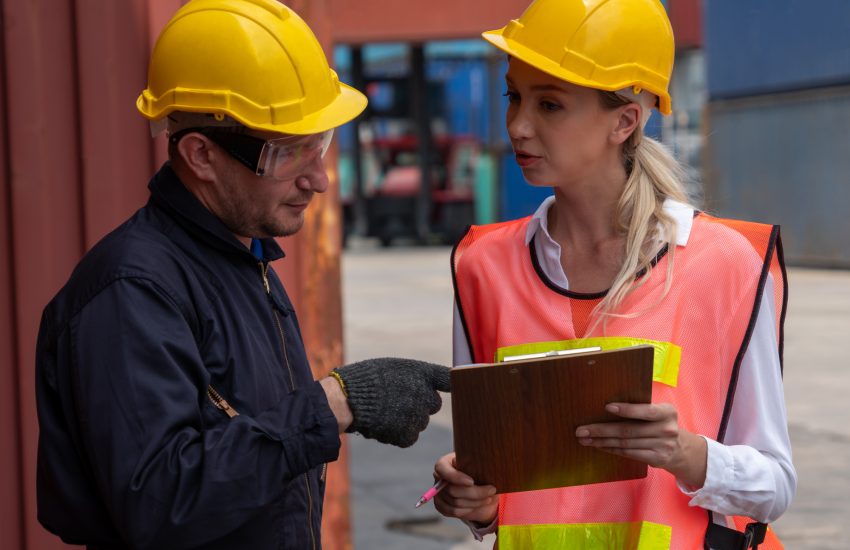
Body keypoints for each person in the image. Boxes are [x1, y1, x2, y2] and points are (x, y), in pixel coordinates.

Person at [34, 1, 450, 548]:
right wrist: (334, 404)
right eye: (289, 152)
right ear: (201, 154)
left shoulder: (242, 260)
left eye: (320, 144)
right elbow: (160, 502)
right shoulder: (132, 292)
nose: (319, 180)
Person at [432, 0, 796, 548]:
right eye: (514, 96)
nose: (518, 125)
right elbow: (492, 480)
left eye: (549, 104)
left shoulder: (723, 262)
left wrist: (689, 455)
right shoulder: (483, 266)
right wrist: (475, 503)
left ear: (625, 121)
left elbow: (775, 485)